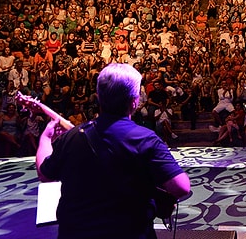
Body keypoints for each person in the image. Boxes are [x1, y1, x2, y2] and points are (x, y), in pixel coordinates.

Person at [36, 63, 191, 239]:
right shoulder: (146, 139)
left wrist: (46, 138)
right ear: (134, 102)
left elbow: (44, 173)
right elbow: (181, 187)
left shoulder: (71, 136)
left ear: (99, 97)